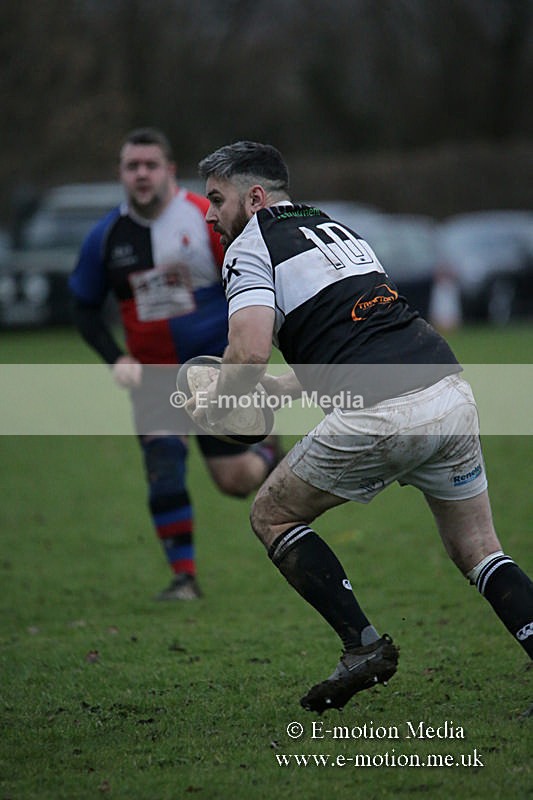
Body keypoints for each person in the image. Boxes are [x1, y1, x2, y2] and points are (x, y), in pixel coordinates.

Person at [193, 140, 533, 712]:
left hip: (384, 410)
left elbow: (247, 354)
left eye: (216, 199)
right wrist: (272, 391)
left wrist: (219, 406)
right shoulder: (337, 229)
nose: (209, 214)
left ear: (253, 199)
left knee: (271, 514)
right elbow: (359, 340)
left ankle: (361, 645)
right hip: (448, 390)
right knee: (479, 549)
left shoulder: (251, 245)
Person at [68, 128, 281, 601]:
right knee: (163, 462)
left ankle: (268, 451)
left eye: (150, 164)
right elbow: (82, 307)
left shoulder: (206, 219)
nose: (141, 174)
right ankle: (184, 578)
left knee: (236, 480)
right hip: (153, 376)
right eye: (131, 166)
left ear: (167, 169)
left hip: (213, 368)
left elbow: (251, 279)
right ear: (122, 174)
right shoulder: (105, 237)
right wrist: (115, 358)